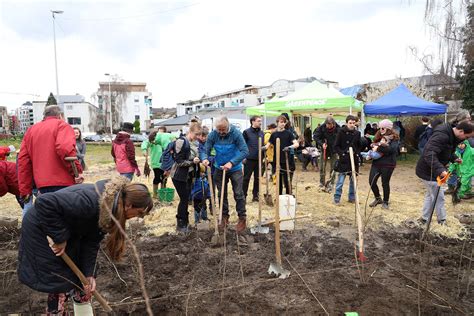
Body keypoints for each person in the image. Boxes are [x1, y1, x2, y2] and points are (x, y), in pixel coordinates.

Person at [18, 177, 153, 314]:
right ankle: (55, 312)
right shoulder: (89, 202)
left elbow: (91, 241)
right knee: (60, 281)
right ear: (129, 205)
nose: (137, 217)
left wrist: (89, 273)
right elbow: (45, 202)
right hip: (43, 229)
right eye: (139, 213)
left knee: (83, 282)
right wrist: (60, 238)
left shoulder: (108, 210)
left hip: (65, 230)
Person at [18, 105, 83, 203]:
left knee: (50, 215)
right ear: (60, 115)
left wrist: (25, 190)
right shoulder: (62, 125)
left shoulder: (31, 130)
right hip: (64, 182)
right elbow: (65, 149)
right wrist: (76, 172)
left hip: (42, 185)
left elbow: (23, 161)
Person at [416, 121, 474, 225]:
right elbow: (429, 154)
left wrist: (454, 158)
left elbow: (446, 151)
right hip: (428, 171)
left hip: (433, 169)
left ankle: (424, 219)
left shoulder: (452, 136)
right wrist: (440, 170)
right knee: (439, 197)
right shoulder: (442, 136)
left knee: (431, 195)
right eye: (466, 136)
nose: (466, 139)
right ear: (461, 131)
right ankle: (442, 221)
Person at [201, 116, 249, 233]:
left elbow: (245, 151)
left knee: (238, 193)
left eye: (223, 129)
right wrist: (205, 158)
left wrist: (231, 163)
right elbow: (205, 149)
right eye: (219, 130)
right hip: (219, 167)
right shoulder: (213, 135)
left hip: (235, 168)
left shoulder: (236, 134)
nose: (221, 132)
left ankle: (242, 218)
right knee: (221, 193)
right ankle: (224, 217)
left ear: (228, 126)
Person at [171, 122, 202, 232]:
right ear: (191, 132)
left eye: (199, 135)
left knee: (186, 199)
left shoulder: (194, 143)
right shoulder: (181, 141)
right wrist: (192, 161)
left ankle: (186, 222)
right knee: (184, 199)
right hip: (179, 176)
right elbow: (179, 161)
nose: (198, 137)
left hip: (188, 176)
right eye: (196, 134)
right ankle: (181, 225)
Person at [367, 119, 400, 209]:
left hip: (388, 164)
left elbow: (391, 150)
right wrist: (372, 150)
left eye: (383, 128)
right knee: (371, 181)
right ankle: (378, 198)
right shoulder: (378, 136)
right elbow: (372, 144)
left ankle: (385, 201)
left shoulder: (394, 138)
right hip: (377, 163)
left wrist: (377, 148)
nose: (381, 130)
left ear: (388, 128)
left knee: (385, 183)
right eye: (380, 128)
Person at [333, 115, 362, 205]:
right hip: (344, 160)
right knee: (340, 181)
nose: (352, 125)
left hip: (353, 160)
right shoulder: (341, 132)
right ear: (346, 123)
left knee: (353, 180)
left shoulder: (357, 133)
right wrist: (342, 154)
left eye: (353, 123)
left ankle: (351, 197)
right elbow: (336, 146)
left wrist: (356, 153)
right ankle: (337, 199)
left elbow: (359, 146)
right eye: (350, 123)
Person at [268, 115, 299, 195]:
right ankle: (279, 197)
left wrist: (289, 147)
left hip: (286, 160)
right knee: (278, 181)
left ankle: (288, 197)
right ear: (277, 123)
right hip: (277, 160)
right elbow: (268, 144)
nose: (283, 124)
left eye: (284, 122)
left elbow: (296, 144)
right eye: (281, 122)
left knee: (287, 180)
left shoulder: (289, 133)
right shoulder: (274, 134)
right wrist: (264, 148)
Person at [141, 128, 175, 198]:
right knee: (157, 177)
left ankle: (162, 194)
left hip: (165, 163)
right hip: (156, 163)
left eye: (162, 132)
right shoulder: (154, 139)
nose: (160, 134)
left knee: (164, 178)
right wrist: (144, 150)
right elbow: (145, 142)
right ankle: (155, 194)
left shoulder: (166, 140)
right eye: (159, 132)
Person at [313, 116, 340, 190]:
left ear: (333, 124)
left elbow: (340, 138)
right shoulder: (321, 128)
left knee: (333, 167)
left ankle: (331, 182)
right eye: (327, 125)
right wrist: (322, 144)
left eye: (330, 125)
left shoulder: (338, 128)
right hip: (324, 149)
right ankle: (322, 182)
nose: (328, 126)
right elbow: (315, 137)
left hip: (334, 150)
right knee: (322, 166)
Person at [193, 126, 213, 223]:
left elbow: (212, 156)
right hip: (197, 173)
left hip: (209, 171)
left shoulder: (210, 143)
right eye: (202, 136)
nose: (203, 138)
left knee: (206, 194)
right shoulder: (195, 144)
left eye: (205, 136)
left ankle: (204, 216)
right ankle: (197, 219)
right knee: (198, 195)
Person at [242, 115, 264, 202]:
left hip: (259, 159)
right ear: (253, 122)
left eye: (260, 121)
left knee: (258, 178)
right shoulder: (246, 132)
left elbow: (262, 145)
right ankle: (243, 196)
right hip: (249, 159)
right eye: (258, 121)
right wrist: (243, 157)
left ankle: (255, 196)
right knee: (246, 178)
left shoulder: (261, 133)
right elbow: (242, 145)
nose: (260, 122)